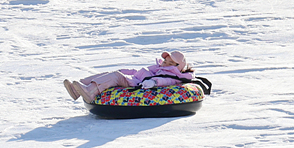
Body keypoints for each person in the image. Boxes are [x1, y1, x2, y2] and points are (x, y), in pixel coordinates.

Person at [63, 51, 195, 102]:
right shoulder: (158, 68)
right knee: (110, 74)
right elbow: (138, 71)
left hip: (137, 85)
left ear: (178, 66)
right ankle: (78, 89)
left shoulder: (175, 76)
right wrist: (125, 70)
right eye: (166, 61)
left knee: (115, 76)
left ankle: (90, 92)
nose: (166, 64)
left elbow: (165, 81)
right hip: (136, 79)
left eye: (170, 63)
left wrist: (154, 82)